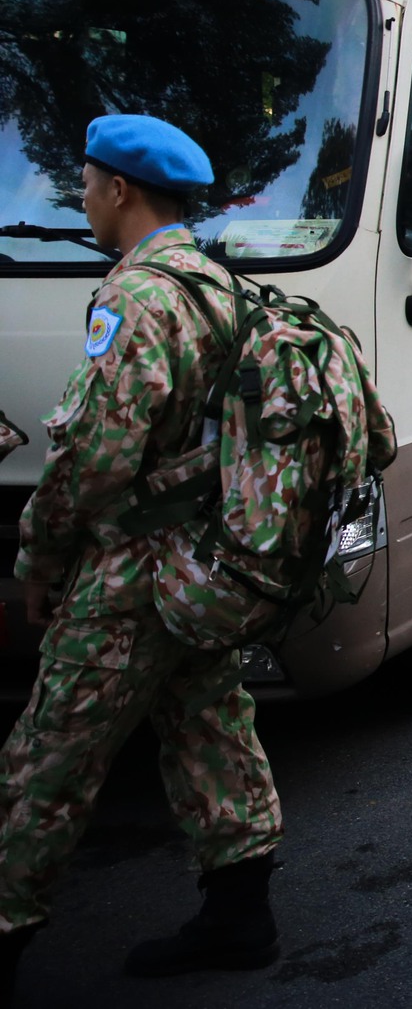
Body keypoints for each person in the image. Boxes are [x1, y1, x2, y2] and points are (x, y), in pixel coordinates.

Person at [0, 116, 286, 992]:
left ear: (119, 191)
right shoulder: (217, 283)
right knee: (208, 719)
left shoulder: (138, 296)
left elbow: (94, 452)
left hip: (133, 564)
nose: (82, 199)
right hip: (205, 557)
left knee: (49, 749)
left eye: (85, 184)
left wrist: (38, 556)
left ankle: (5, 929)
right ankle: (241, 913)